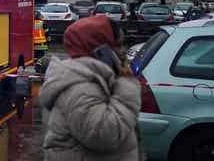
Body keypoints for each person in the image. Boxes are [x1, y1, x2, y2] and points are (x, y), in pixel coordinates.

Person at [40, 15, 141, 161]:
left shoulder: (97, 78)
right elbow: (103, 135)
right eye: (118, 45)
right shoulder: (79, 87)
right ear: (101, 50)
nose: (123, 50)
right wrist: (127, 84)